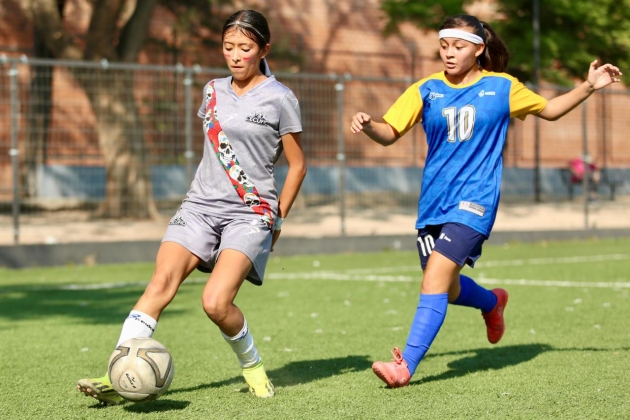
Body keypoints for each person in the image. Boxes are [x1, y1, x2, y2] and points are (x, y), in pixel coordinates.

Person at [350, 14, 621, 388]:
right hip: (433, 204)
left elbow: (551, 111)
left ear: (478, 49)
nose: (449, 53)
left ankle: (405, 366)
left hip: (475, 201)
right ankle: (493, 303)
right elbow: (389, 132)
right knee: (447, 286)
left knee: (434, 277)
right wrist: (368, 126)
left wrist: (588, 86)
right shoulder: (425, 89)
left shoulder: (502, 87)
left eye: (458, 47)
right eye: (444, 46)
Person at [77, 9, 306, 404]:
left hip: (250, 212)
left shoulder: (281, 98)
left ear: (264, 49)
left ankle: (254, 370)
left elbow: (299, 164)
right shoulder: (212, 90)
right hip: (200, 204)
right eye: (228, 46)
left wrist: (278, 218)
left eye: (245, 48)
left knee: (216, 303)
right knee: (160, 283)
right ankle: (119, 375)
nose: (235, 55)